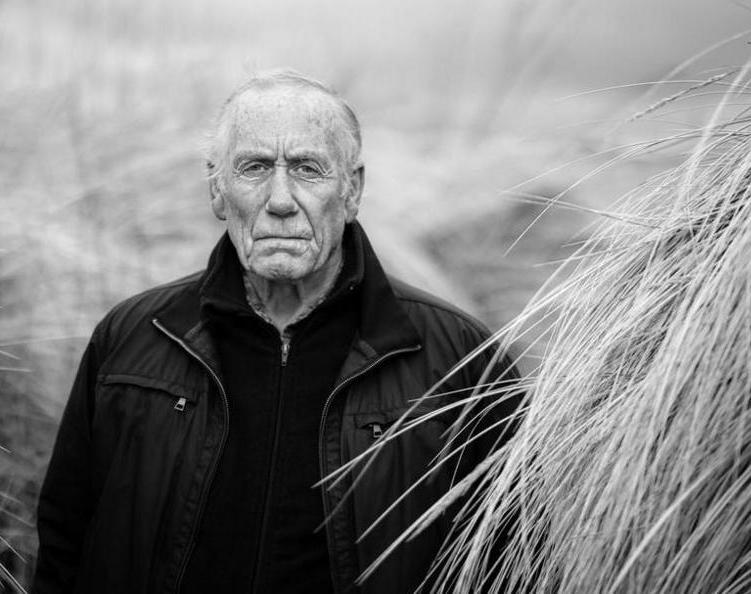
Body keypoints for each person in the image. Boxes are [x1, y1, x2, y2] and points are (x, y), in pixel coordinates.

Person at [31, 69, 520, 594]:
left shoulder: (463, 359)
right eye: (255, 167)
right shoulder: (132, 338)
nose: (281, 199)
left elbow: (515, 567)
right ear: (217, 191)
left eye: (308, 169)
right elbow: (64, 547)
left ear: (352, 190)